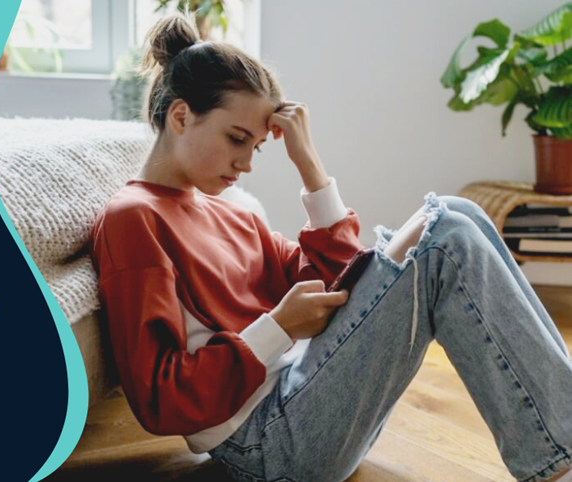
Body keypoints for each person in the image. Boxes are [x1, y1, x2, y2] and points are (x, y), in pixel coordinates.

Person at [87, 11, 572, 482]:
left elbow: (339, 279)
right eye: (236, 138)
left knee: (456, 212)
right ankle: (562, 455)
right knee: (445, 238)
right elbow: (158, 396)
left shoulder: (232, 213)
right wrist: (277, 327)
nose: (246, 164)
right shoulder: (134, 218)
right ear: (180, 116)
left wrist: (310, 164)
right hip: (267, 447)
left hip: (304, 395)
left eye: (255, 147)